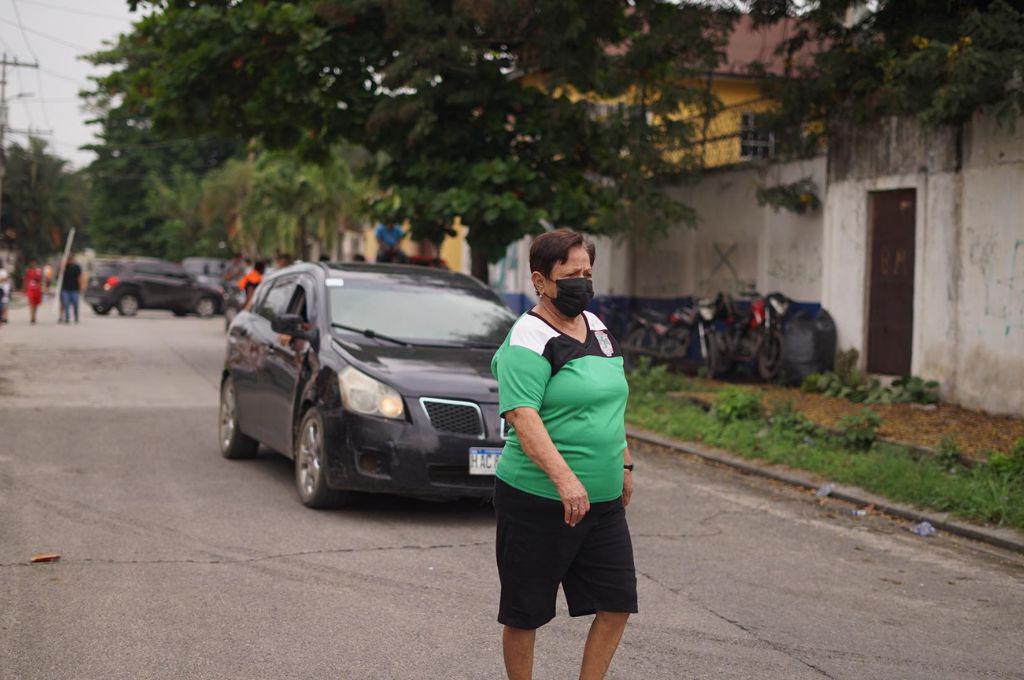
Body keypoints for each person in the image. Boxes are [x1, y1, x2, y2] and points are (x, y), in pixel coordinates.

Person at [490, 229, 636, 680]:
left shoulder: (599, 328)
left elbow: (611, 402)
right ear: (541, 280)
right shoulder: (528, 338)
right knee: (526, 613)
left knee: (616, 602)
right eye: (571, 274)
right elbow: (522, 416)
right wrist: (564, 479)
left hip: (604, 501)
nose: (583, 282)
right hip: (539, 500)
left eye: (588, 272)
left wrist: (625, 461)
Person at [59, 254, 83, 324]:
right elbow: (59, 276)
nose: (70, 260)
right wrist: (62, 268)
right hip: (65, 289)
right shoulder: (64, 267)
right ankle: (67, 318)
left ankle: (76, 316)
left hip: (75, 289)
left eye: (71, 258)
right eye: (68, 259)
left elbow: (79, 278)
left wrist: (81, 287)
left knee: (75, 303)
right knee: (66, 304)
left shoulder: (77, 267)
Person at [24, 259, 44, 324]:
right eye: (32, 263)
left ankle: (34, 316)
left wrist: (42, 287)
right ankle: (32, 317)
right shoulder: (28, 271)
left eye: (34, 263)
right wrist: (25, 289)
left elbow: (41, 280)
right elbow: (26, 280)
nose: (33, 264)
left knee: (35, 304)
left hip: (37, 289)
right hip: (30, 289)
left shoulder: (38, 271)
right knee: (31, 303)